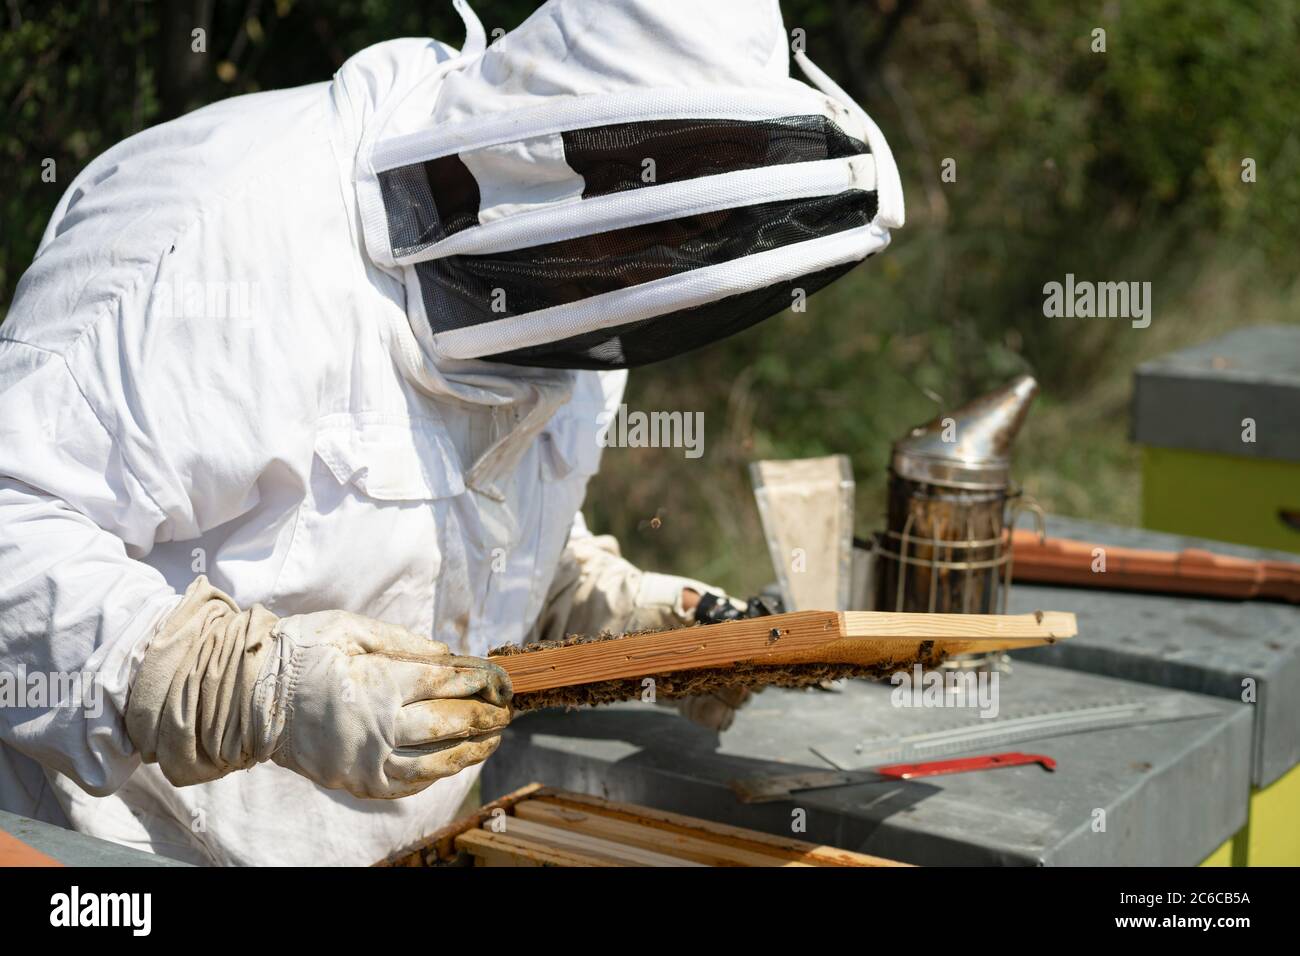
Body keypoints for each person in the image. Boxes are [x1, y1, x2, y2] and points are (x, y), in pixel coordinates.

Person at [0, 0, 902, 865]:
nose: (680, 250)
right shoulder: (218, 234)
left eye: (707, 230)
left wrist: (615, 610)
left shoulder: (589, 281)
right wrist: (241, 686)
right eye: (678, 205)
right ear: (583, 146)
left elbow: (469, 528)